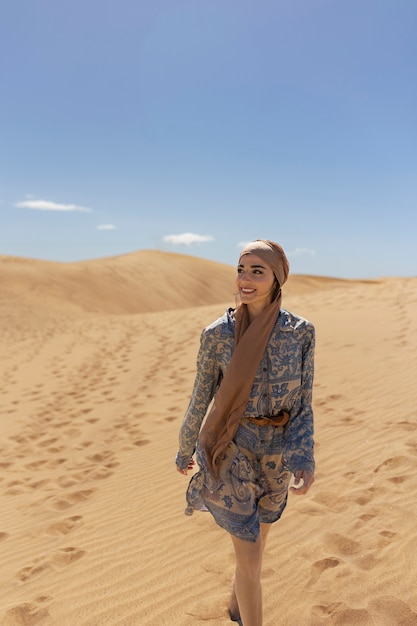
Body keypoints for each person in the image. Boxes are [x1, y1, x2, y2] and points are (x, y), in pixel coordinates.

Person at [175, 239, 315, 626]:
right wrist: (185, 446)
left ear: (277, 278)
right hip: (231, 449)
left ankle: (237, 605)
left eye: (257, 271)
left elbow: (303, 404)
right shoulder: (216, 335)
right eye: (241, 269)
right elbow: (200, 396)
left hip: (278, 455)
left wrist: (303, 457)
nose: (246, 279)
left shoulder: (300, 333)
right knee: (251, 557)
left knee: (258, 545)